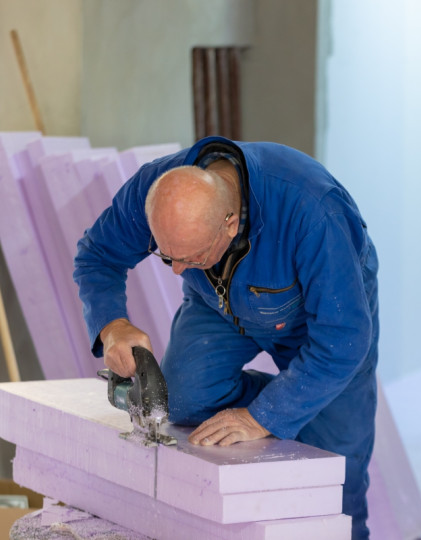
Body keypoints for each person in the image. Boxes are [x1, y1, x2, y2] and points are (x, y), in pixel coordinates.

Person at [74, 136, 379, 539]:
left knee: (337, 467)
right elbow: (97, 255)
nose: (177, 270)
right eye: (167, 255)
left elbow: (344, 341)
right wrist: (112, 324)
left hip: (319, 317)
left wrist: (262, 417)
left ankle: (297, 405)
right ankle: (292, 402)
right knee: (182, 399)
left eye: (191, 257)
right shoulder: (158, 191)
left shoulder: (314, 212)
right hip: (217, 303)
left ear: (230, 224)